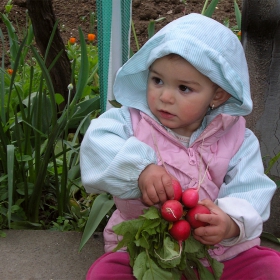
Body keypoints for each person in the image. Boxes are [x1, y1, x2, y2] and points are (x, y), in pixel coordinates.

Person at [80, 13, 280, 279]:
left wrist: (230, 223)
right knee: (107, 273)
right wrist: (140, 170)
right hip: (145, 251)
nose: (164, 96)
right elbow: (98, 144)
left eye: (184, 88)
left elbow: (251, 187)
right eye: (157, 80)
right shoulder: (131, 122)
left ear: (217, 95)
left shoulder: (236, 138)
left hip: (217, 254)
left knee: (268, 268)